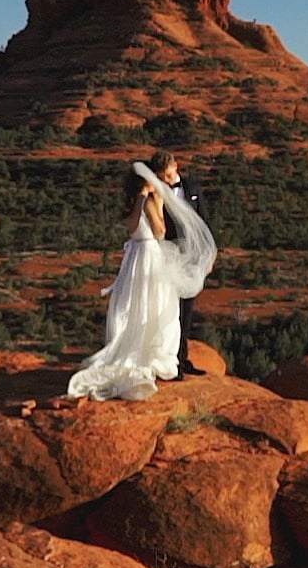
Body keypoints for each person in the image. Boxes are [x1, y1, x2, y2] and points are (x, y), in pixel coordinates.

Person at [65, 159, 216, 401]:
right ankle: (154, 356)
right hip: (150, 256)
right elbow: (160, 231)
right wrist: (153, 202)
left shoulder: (133, 202)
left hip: (134, 258)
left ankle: (140, 351)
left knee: (134, 306)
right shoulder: (151, 200)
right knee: (157, 307)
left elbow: (133, 226)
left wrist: (145, 200)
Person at [149, 150, 210, 377]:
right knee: (169, 308)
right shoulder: (156, 192)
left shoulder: (192, 186)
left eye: (166, 175)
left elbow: (204, 220)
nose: (164, 180)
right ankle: (170, 363)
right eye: (160, 176)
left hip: (193, 256)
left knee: (188, 309)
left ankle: (182, 359)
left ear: (176, 166)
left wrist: (209, 254)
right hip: (169, 255)